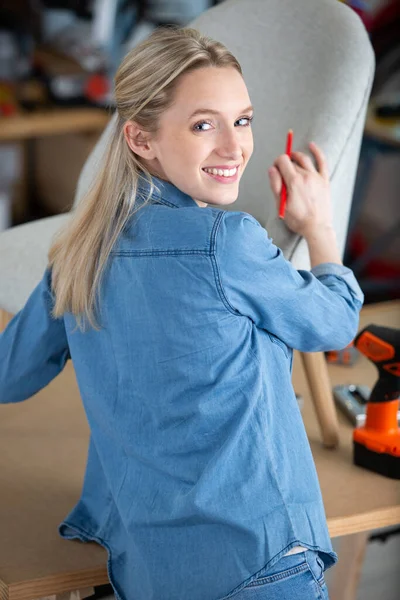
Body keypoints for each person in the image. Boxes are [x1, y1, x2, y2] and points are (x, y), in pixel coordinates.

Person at [0, 26, 363, 600]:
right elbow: (335, 324)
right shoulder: (228, 241)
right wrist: (319, 228)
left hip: (148, 574)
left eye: (241, 120)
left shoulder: (76, 254)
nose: (234, 146)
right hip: (258, 566)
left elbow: (8, 374)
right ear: (141, 140)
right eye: (203, 125)